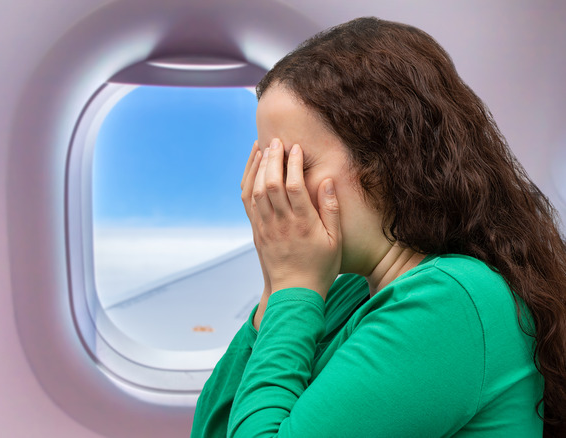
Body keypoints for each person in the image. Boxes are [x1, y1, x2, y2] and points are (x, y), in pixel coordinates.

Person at [191, 17, 566, 437]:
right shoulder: (345, 290)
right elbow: (213, 429)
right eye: (267, 166)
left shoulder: (452, 301)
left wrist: (292, 287)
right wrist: (274, 294)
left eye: (295, 165)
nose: (269, 190)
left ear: (387, 164)